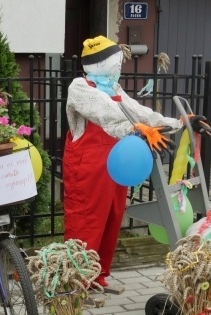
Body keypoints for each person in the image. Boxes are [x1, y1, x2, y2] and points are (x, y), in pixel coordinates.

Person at [64, 35, 182, 287]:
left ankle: (98, 275)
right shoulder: (80, 88)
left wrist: (176, 124)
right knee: (86, 220)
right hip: (88, 164)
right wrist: (134, 129)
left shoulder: (113, 89)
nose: (119, 65)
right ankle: (75, 279)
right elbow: (106, 113)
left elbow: (138, 111)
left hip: (116, 163)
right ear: (99, 63)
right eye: (115, 60)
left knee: (112, 216)